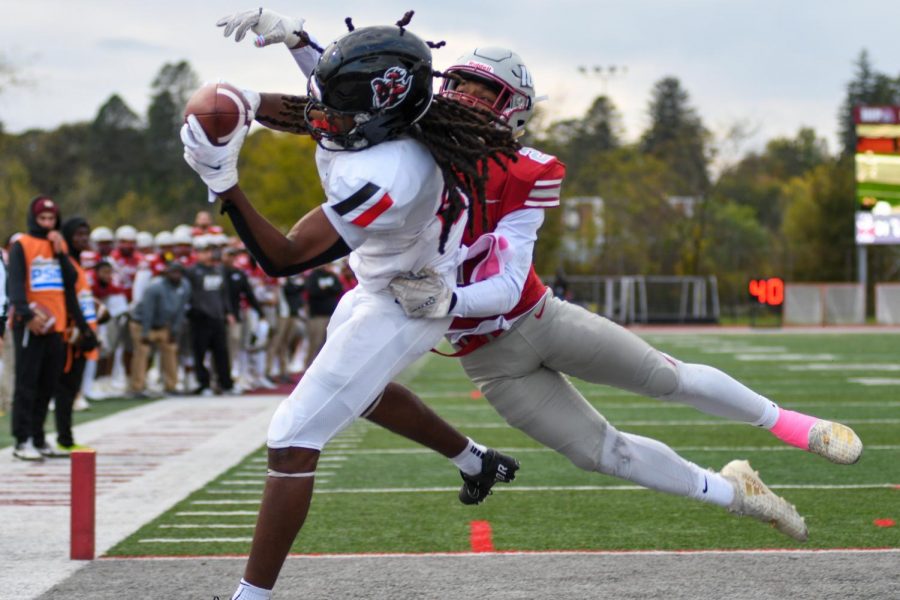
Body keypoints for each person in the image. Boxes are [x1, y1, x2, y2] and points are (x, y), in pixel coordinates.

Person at [385, 46, 865, 541]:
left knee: (664, 376)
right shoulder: (412, 157)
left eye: (484, 94)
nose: (465, 100)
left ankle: (795, 426)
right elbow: (357, 121)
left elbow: (506, 288)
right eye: (459, 87)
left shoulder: (525, 172)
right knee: (598, 454)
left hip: (539, 319)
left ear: (514, 110)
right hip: (487, 360)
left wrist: (448, 301)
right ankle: (737, 493)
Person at [196, 14, 523, 599]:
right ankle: (475, 461)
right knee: (362, 394)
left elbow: (287, 256)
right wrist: (280, 63)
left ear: (380, 123)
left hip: (406, 301)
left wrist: (224, 183)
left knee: (293, 437)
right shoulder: (396, 119)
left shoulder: (392, 173)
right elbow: (327, 100)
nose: (323, 119)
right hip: (380, 281)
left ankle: (251, 597)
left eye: (341, 116)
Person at [7, 197, 82, 460]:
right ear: (34, 219)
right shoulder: (22, 245)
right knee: (27, 384)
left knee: (47, 385)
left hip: (56, 326)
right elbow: (14, 285)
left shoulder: (58, 246)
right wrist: (27, 315)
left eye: (52, 219)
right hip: (32, 326)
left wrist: (62, 252)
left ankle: (39, 438)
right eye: (43, 219)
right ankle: (22, 439)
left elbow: (72, 281)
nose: (48, 224)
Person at [53, 216, 101, 452]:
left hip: (85, 329)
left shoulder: (78, 262)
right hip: (72, 334)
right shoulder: (65, 263)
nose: (83, 239)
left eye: (86, 234)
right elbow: (67, 300)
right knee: (64, 388)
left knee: (71, 388)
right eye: (78, 234)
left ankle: (66, 436)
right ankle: (63, 438)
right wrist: (81, 328)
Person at [129, 262, 191, 397]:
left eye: (179, 272)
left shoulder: (185, 286)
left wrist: (174, 330)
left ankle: (171, 386)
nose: (176, 275)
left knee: (170, 351)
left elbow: (181, 310)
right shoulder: (155, 287)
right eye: (173, 272)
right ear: (166, 274)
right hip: (142, 323)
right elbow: (147, 310)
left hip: (164, 325)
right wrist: (145, 332)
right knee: (142, 352)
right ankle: (137, 388)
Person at [185, 236, 237, 395]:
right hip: (200, 317)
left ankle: (226, 384)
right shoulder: (192, 271)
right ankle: (204, 384)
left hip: (218, 317)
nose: (208, 254)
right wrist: (193, 311)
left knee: (222, 352)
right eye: (204, 251)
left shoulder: (218, 269)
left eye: (209, 251)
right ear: (197, 253)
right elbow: (188, 294)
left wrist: (228, 312)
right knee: (199, 353)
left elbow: (224, 293)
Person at [303, 262, 343, 371]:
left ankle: (321, 369)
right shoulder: (313, 275)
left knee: (328, 343)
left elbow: (338, 289)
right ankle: (308, 367)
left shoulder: (332, 275)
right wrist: (328, 290)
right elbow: (313, 291)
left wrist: (325, 289)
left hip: (331, 315)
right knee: (315, 343)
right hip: (317, 315)